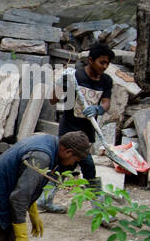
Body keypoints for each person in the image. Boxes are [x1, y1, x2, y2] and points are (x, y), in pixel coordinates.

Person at [40, 43, 112, 212]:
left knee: (64, 167)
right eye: (102, 62)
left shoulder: (106, 80)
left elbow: (106, 102)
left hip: (87, 131)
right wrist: (60, 83)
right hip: (70, 130)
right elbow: (52, 100)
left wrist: (99, 109)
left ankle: (44, 199)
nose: (105, 67)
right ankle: (100, 210)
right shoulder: (75, 77)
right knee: (88, 166)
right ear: (90, 60)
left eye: (107, 63)